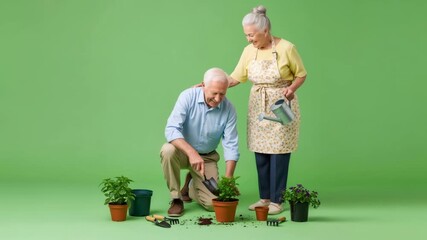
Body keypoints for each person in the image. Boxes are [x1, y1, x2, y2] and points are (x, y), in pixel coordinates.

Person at [227, 5, 308, 215]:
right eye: (246, 35)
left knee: (279, 153)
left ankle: (277, 201)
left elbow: (301, 74)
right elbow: (236, 77)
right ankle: (264, 198)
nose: (248, 39)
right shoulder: (248, 51)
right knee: (261, 153)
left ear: (265, 31)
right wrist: (212, 84)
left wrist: (291, 89)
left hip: (280, 105)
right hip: (257, 105)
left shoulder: (287, 48)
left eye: (251, 35)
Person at [160, 68, 240, 217]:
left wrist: (229, 178)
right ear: (203, 85)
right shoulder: (187, 96)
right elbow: (171, 129)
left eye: (222, 94)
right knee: (167, 150)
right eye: (214, 93)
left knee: (212, 205)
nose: (217, 99)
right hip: (182, 153)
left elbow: (231, 144)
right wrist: (191, 153)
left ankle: (190, 186)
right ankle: (176, 198)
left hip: (207, 157)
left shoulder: (229, 109)